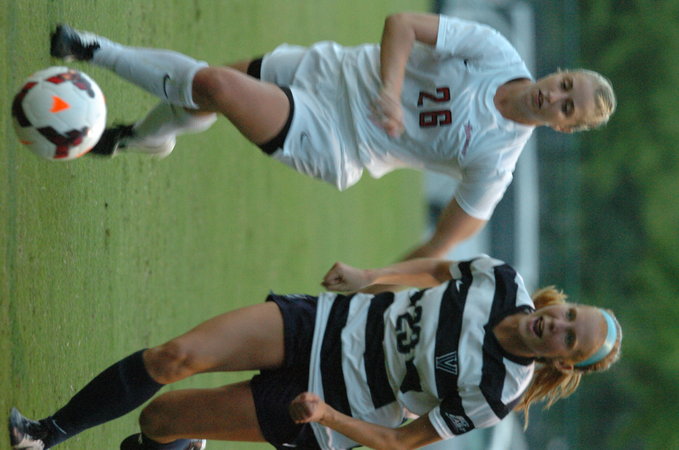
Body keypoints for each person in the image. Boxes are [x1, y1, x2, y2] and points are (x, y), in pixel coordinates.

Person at [48, 13, 616, 259]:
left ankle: (90, 49)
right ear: (560, 72)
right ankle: (141, 139)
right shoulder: (495, 51)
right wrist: (390, 89)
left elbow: (439, 247)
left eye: (568, 108)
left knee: (214, 86)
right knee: (201, 93)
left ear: (564, 127)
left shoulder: (497, 163)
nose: (556, 97)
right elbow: (402, 25)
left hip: (337, 140)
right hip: (328, 70)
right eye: (566, 85)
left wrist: (372, 285)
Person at [9, 255, 622, 449]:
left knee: (158, 420)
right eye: (571, 315)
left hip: (329, 402)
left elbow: (399, 442)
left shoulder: (495, 392)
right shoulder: (502, 280)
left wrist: (327, 416)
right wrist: (370, 277)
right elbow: (440, 269)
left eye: (570, 337)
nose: (558, 324)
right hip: (322, 323)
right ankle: (44, 434)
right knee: (176, 357)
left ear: (563, 362)